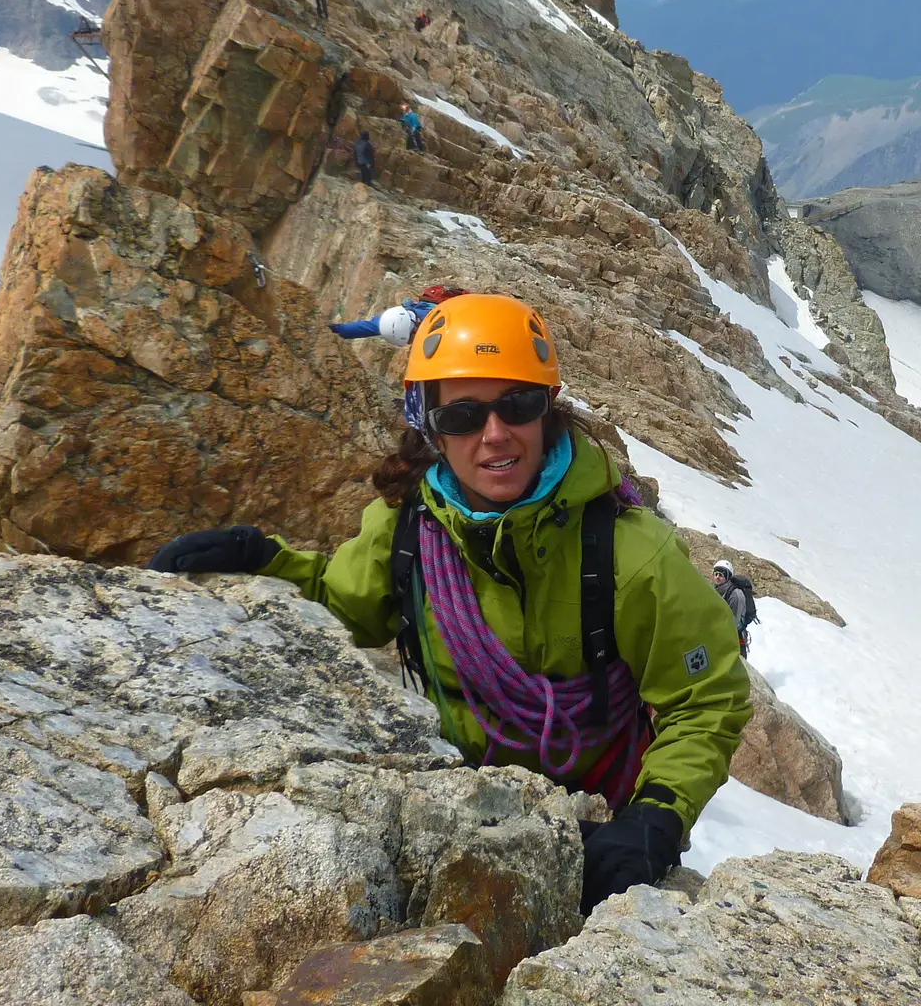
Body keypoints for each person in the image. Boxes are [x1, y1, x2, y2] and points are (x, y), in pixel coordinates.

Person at [149, 294, 749, 913]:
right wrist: (265, 561)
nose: (495, 435)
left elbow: (704, 699)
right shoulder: (407, 528)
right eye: (463, 416)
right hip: (458, 810)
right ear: (431, 426)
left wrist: (654, 818)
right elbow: (346, 607)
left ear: (547, 409)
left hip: (601, 814)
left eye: (517, 404)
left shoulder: (631, 551)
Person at [328, 284, 464, 342]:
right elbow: (368, 327)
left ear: (415, 329)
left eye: (410, 340)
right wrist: (336, 330)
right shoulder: (393, 320)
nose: (410, 343)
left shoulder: (439, 323)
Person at [710, 560, 758, 657]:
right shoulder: (713, 589)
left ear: (727, 576)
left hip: (735, 639)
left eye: (721, 574)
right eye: (716, 574)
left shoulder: (736, 595)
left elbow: (734, 622)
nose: (718, 577)